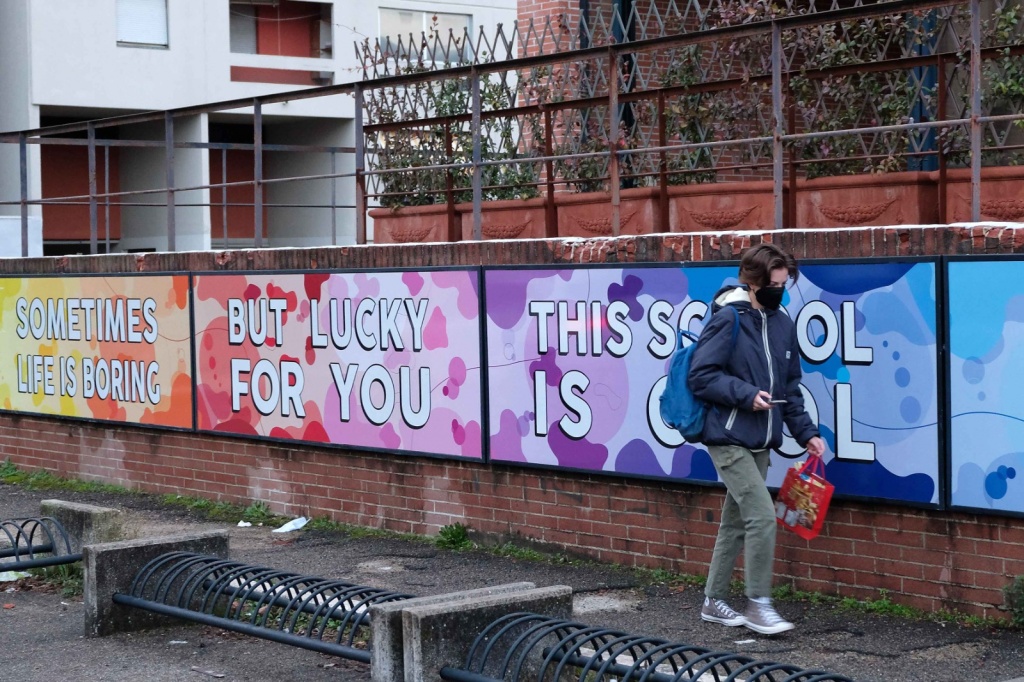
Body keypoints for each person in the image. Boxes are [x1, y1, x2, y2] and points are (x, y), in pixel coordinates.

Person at [687, 243, 826, 636]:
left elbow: (791, 390)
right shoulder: (729, 319)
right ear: (752, 281)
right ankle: (759, 604)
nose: (779, 292)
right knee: (762, 516)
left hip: (762, 440)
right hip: (727, 435)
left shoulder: (782, 324)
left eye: (784, 285)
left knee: (734, 522)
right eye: (773, 285)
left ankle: (713, 600)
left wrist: (808, 434)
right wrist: (746, 394)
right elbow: (702, 375)